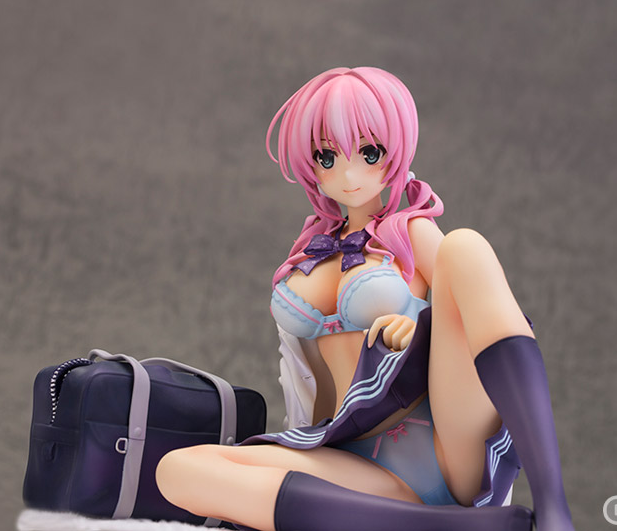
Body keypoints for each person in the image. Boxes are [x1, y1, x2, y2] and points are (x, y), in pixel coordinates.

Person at [155, 67, 575, 531]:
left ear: (395, 150)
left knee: (466, 247)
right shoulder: (310, 251)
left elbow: (472, 308)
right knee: (178, 470)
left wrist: (421, 323)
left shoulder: (412, 233)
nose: (348, 173)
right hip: (357, 463)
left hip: (446, 447)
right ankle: (451, 529)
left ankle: (553, 508)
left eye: (369, 152)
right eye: (327, 156)